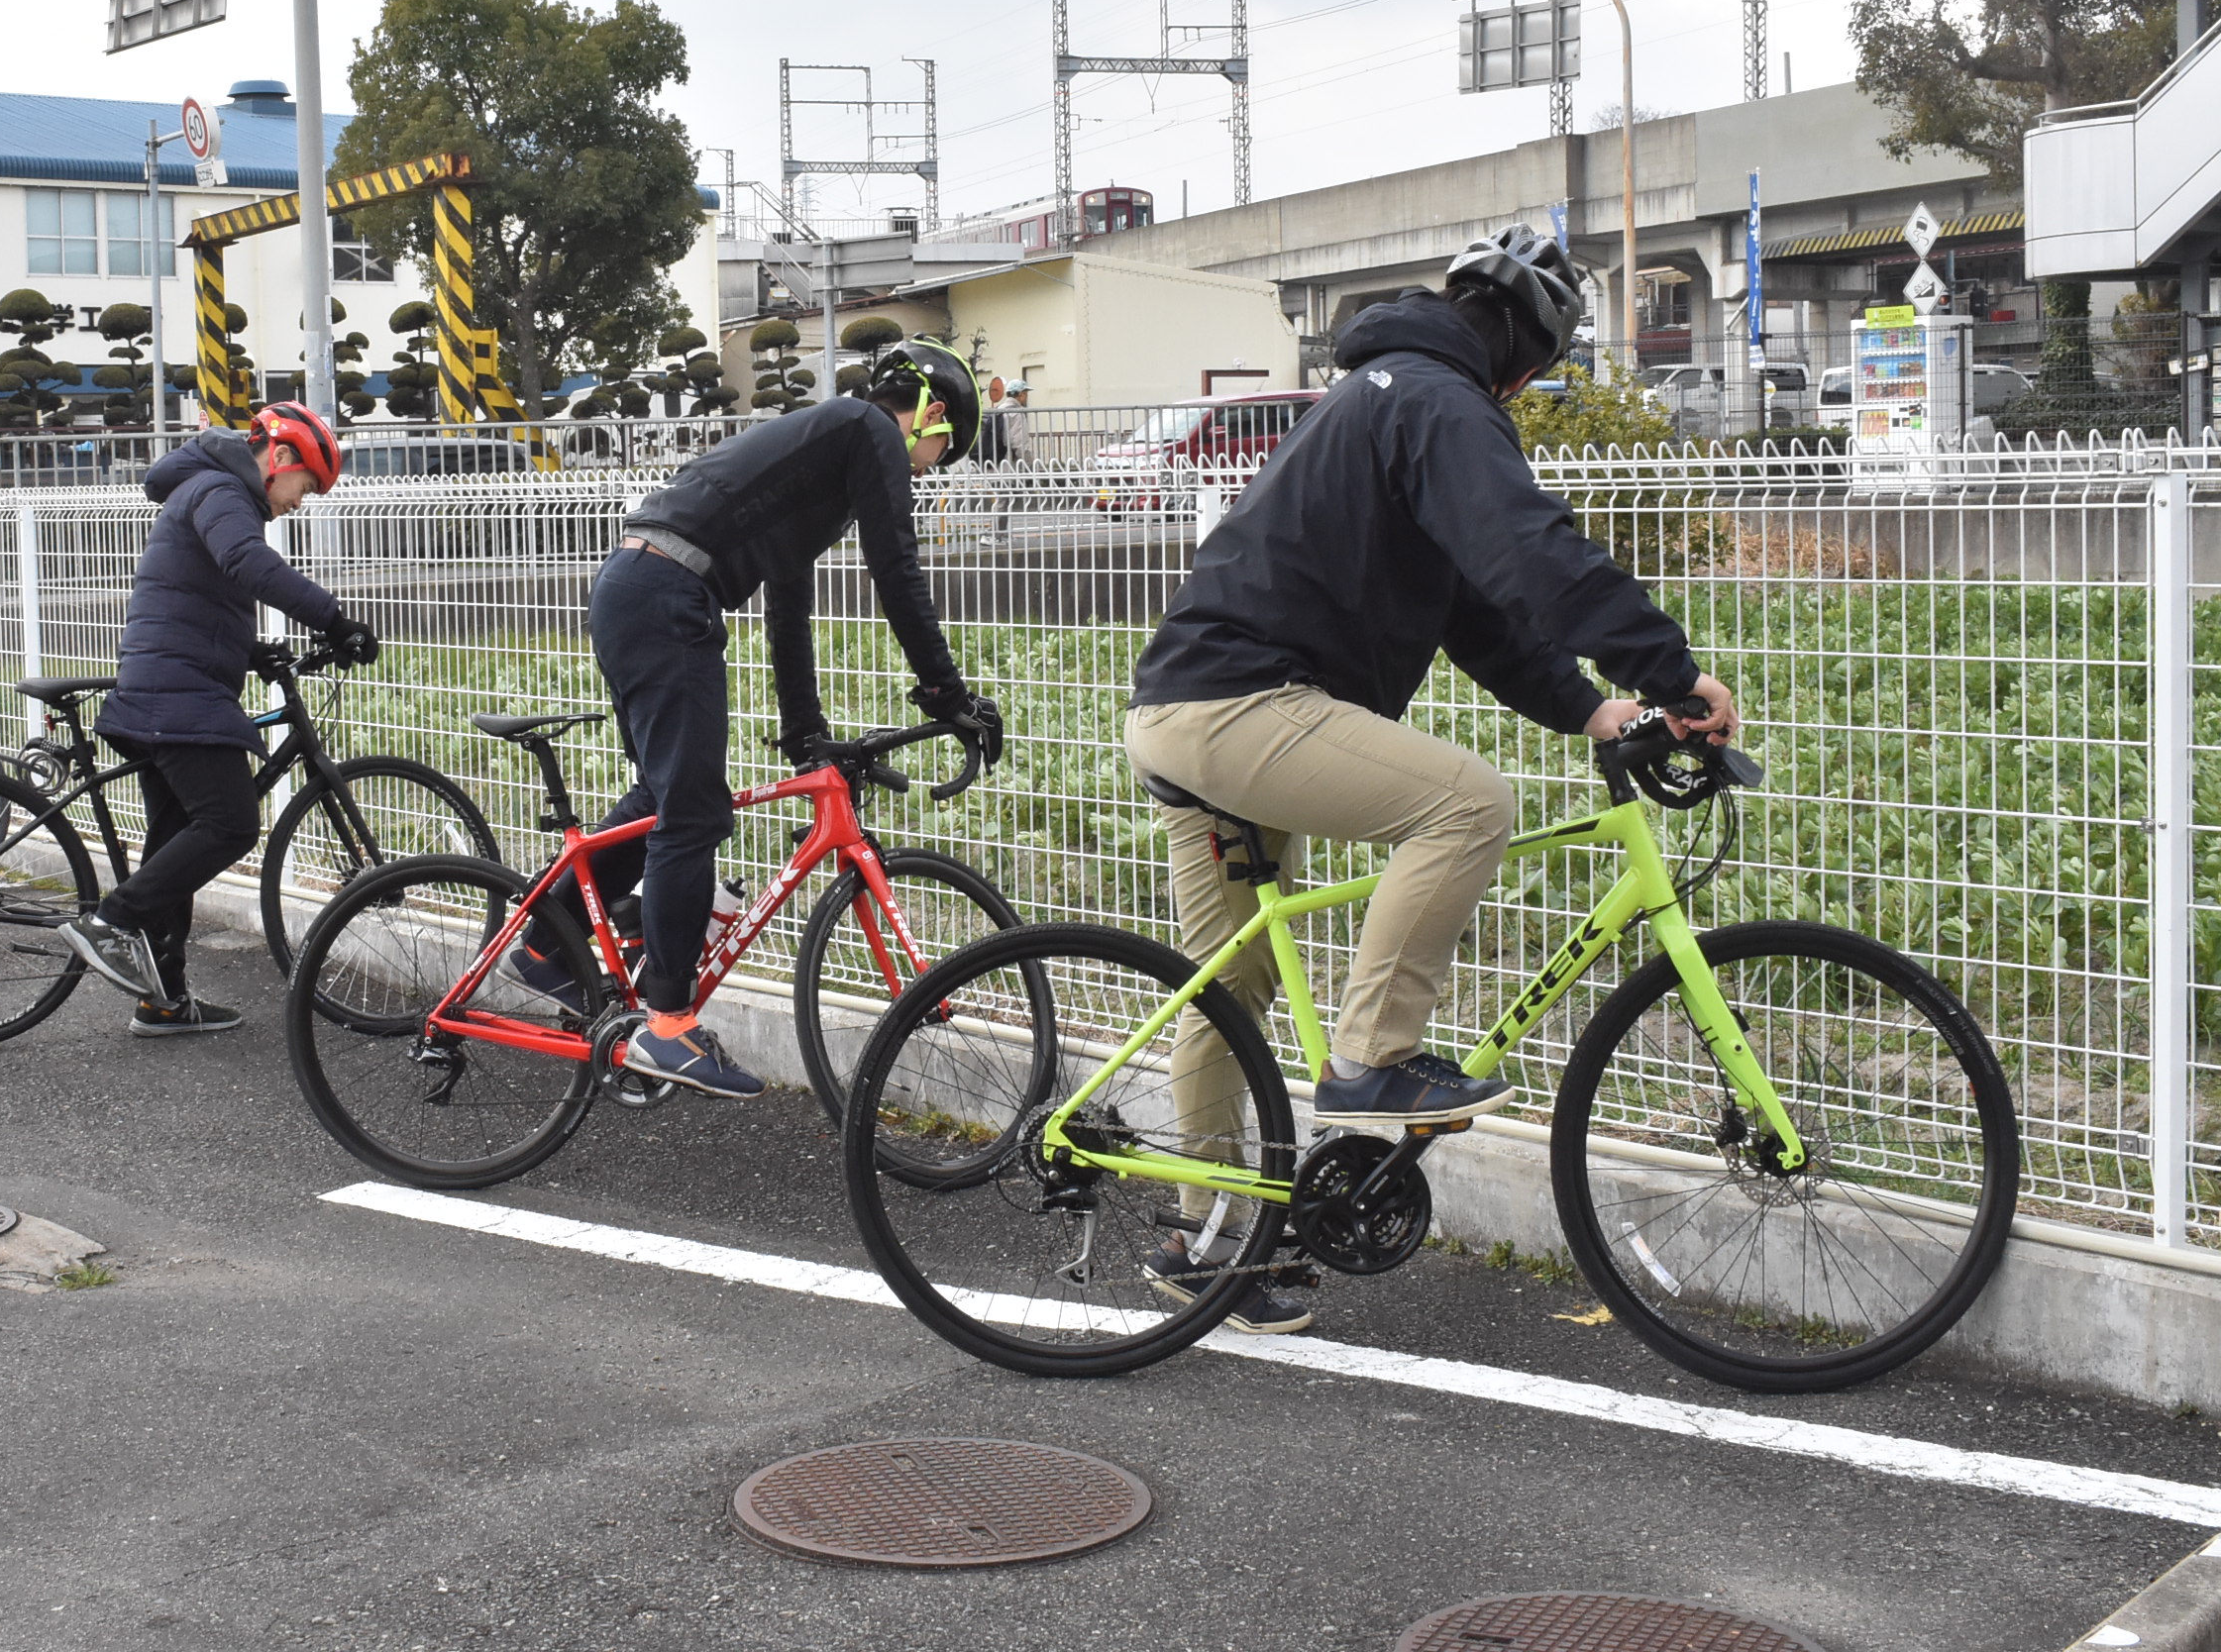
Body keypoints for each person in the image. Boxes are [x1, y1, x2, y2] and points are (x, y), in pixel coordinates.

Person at [1125, 225, 1738, 1328]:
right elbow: (1531, 549)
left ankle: (1204, 1239)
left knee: (1233, 986)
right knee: (1467, 802)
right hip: (1244, 706)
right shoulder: (1437, 398)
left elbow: (1481, 610)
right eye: (1540, 369)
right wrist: (1672, 670)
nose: (1529, 386)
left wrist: (1597, 705)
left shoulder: (1386, 395)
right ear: (1524, 344)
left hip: (1189, 706)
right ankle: (1371, 1058)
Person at [505, 339, 1005, 1097]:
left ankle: (545, 947)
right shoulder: (867, 430)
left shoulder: (818, 457)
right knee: (693, 812)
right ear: (931, 414)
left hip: (642, 586)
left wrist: (805, 733)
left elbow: (788, 604)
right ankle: (666, 1026)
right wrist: (947, 695)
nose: (929, 469)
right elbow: (896, 568)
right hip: (668, 594)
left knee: (660, 801)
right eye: (941, 451)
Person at [58, 403, 380, 1036]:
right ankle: (111, 921)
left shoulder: (206, 489)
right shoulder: (222, 490)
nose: (302, 501)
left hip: (166, 685)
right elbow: (247, 565)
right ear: (281, 459)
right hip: (179, 696)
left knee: (174, 846)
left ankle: (165, 999)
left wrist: (252, 649)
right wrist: (334, 619)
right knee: (230, 825)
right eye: (307, 486)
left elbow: (196, 595)